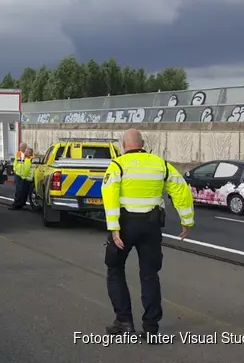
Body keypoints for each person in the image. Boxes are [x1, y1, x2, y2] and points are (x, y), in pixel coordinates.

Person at [101, 129, 194, 338]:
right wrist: (186, 220)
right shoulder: (160, 163)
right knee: (149, 275)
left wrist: (114, 228)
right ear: (143, 143)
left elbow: (109, 194)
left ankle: (124, 322)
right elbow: (181, 189)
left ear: (123, 145)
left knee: (115, 270)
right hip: (151, 226)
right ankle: (151, 328)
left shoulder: (117, 165)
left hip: (125, 226)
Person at [9, 143, 29, 210]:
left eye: (22, 147)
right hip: (18, 174)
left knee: (24, 190)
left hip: (25, 175)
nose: (20, 148)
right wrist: (14, 169)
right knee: (18, 190)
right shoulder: (18, 154)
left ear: (25, 147)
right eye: (20, 147)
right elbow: (15, 162)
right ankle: (17, 204)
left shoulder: (28, 154)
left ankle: (21, 203)